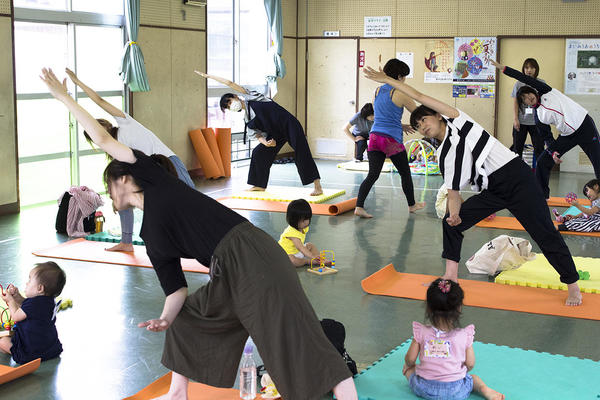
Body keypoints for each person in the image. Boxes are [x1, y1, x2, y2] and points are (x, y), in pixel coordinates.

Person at [40, 68, 357, 400]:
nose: (107, 194)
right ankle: (178, 393)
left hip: (250, 254)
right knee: (187, 317)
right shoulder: (152, 235)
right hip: (228, 270)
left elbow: (104, 138)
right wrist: (164, 318)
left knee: (293, 341)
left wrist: (64, 98)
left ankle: (345, 392)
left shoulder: (156, 178)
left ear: (123, 180)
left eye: (108, 184)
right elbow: (176, 290)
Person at [362, 65, 582, 306]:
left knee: (545, 233)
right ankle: (451, 276)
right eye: (417, 125)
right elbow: (454, 191)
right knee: (450, 223)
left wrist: (386, 80)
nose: (422, 125)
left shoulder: (458, 120)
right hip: (493, 189)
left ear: (436, 115)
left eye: (424, 118)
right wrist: (455, 214)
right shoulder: (442, 154)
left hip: (518, 179)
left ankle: (572, 285)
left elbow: (420, 97)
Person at [65, 68, 195, 253]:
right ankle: (126, 242)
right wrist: (117, 199)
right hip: (150, 173)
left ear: (104, 125)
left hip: (169, 163)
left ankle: (208, 231)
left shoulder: (126, 122)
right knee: (123, 197)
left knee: (192, 200)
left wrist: (77, 82)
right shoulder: (116, 151)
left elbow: (99, 101)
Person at [195, 71, 323, 196]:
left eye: (229, 101)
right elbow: (257, 135)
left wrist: (209, 76)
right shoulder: (247, 119)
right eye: (228, 106)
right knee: (258, 152)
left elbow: (229, 82)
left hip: (288, 124)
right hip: (275, 133)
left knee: (301, 150)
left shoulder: (252, 97)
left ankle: (317, 186)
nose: (230, 105)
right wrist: (267, 143)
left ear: (236, 97)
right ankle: (259, 185)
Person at [491, 60, 600, 199]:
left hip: (584, 126)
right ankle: (541, 196)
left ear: (533, 91)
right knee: (543, 161)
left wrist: (504, 68)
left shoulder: (545, 90)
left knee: (597, 161)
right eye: (524, 99)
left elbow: (523, 77)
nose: (528, 98)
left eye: (528, 94)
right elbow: (547, 137)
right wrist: (554, 152)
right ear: (524, 104)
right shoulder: (539, 117)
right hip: (567, 134)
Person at [403, 279, 504, 400]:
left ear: (428, 308)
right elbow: (470, 364)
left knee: (409, 370)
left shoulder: (421, 332)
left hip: (425, 388)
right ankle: (484, 389)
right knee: (474, 378)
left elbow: (410, 359)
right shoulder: (463, 335)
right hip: (456, 391)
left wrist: (410, 367)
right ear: (459, 308)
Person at [354, 59, 426, 218]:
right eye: (404, 77)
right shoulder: (400, 92)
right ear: (399, 77)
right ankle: (412, 205)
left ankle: (359, 207)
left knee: (372, 174)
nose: (405, 80)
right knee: (405, 173)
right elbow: (419, 114)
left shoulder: (377, 91)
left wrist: (400, 125)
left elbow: (382, 116)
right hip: (390, 140)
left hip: (374, 138)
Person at [0, 262, 66, 364]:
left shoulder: (33, 304)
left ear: (40, 288)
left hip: (31, 352)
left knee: (3, 341)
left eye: (29, 280)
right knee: (8, 342)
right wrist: (17, 296)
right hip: (50, 349)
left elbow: (16, 316)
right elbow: (26, 307)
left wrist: (10, 301)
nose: (27, 283)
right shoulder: (47, 301)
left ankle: (18, 353)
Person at [509, 58, 548, 165]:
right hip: (521, 122)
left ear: (536, 69)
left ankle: (539, 173)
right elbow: (515, 102)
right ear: (523, 69)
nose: (529, 70)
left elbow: (545, 102)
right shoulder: (519, 84)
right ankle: (517, 173)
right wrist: (515, 119)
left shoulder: (541, 83)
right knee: (517, 149)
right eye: (526, 67)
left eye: (531, 67)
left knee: (539, 148)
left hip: (537, 122)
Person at [278, 199, 325, 267]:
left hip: (297, 252)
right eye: (303, 221)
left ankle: (319, 260)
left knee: (310, 245)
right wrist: (312, 256)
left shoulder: (303, 227)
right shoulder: (291, 233)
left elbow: (303, 248)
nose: (306, 222)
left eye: (307, 219)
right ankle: (308, 261)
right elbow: (301, 248)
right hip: (287, 255)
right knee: (292, 260)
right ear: (294, 220)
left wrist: (315, 256)